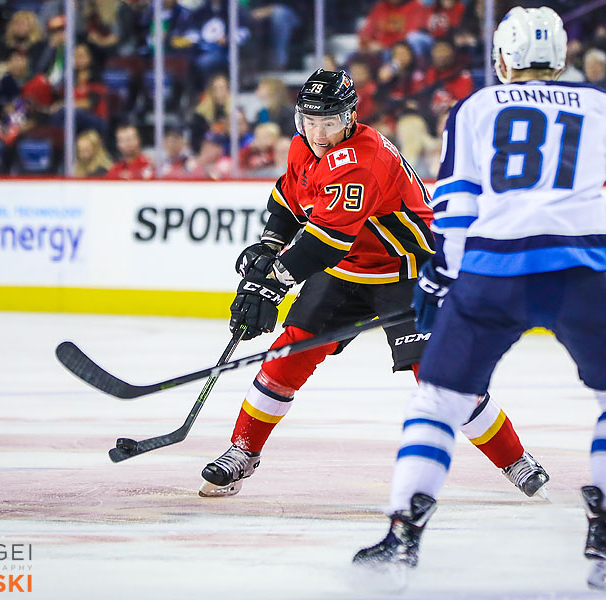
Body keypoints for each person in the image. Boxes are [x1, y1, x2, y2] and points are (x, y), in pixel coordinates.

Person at [353, 6, 606, 591]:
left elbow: (454, 208)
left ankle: (402, 531)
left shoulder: (474, 108)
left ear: (502, 58)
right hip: (581, 274)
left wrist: (439, 277)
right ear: (562, 59)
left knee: (440, 401)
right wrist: (599, 235)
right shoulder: (601, 106)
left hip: (490, 275)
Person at [198, 68, 549, 502]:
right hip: (347, 269)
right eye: (309, 120)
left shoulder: (362, 159)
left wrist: (272, 284)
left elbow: (326, 241)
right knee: (286, 356)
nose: (318, 132)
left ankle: (514, 459)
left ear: (349, 118)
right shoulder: (302, 147)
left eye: (328, 121)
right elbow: (288, 202)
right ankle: (243, 450)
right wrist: (268, 249)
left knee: (438, 376)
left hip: (404, 270)